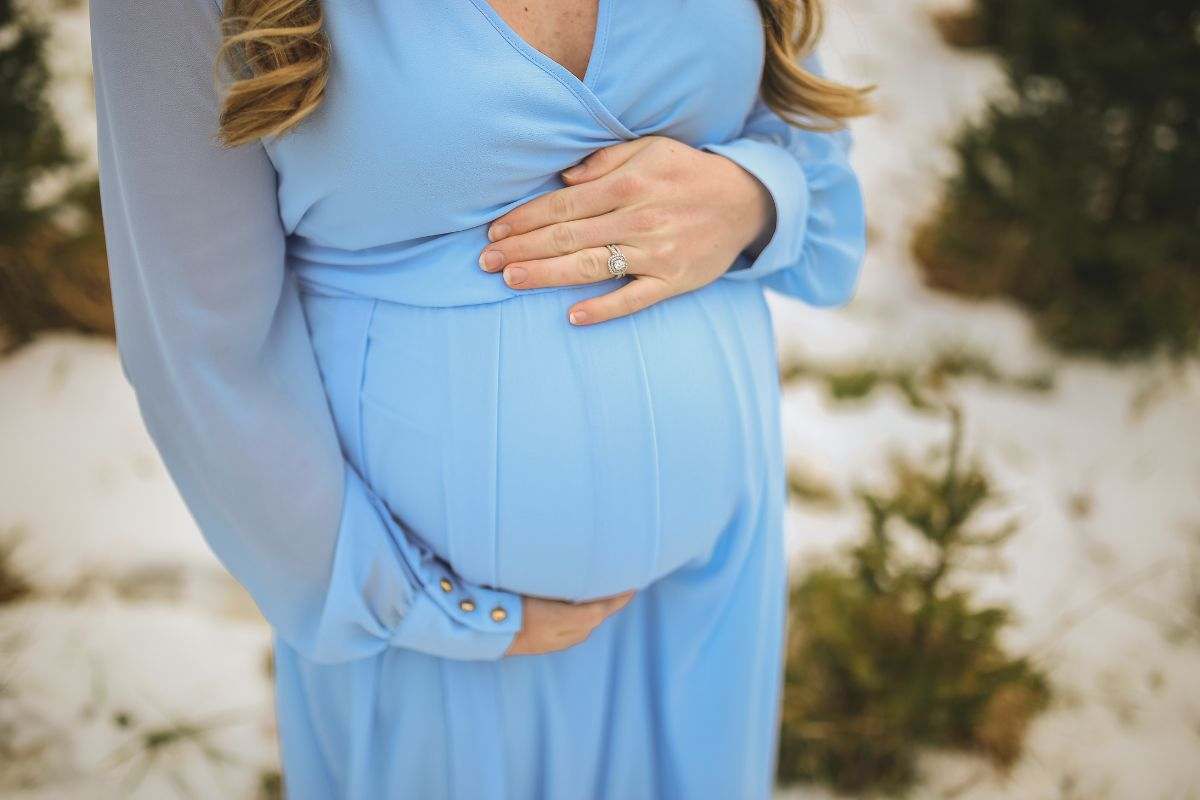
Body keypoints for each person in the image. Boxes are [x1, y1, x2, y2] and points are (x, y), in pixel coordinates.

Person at [88, 0, 870, 796]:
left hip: (702, 606)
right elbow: (197, 346)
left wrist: (751, 198)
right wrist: (407, 602)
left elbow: (820, 170)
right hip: (430, 628)